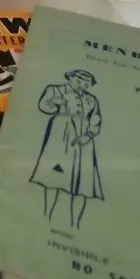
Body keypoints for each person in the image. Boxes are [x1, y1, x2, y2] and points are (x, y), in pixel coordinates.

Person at [29, 68, 103, 229]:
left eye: (86, 84)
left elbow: (96, 119)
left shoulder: (92, 100)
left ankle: (75, 225)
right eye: (79, 81)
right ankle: (45, 219)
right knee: (53, 179)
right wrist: (54, 103)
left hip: (83, 141)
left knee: (82, 184)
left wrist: (88, 135)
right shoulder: (55, 90)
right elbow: (43, 106)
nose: (82, 85)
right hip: (60, 135)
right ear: (70, 78)